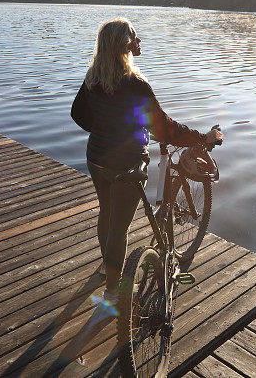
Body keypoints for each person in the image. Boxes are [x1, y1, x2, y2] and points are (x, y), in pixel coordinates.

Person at [71, 17, 222, 303]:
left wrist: (105, 129)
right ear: (124, 45)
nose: (139, 42)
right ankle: (113, 292)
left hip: (96, 159)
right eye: (135, 38)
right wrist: (201, 138)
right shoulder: (136, 84)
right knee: (119, 226)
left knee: (107, 212)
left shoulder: (93, 78)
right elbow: (164, 129)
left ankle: (107, 267)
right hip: (126, 163)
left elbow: (78, 114)